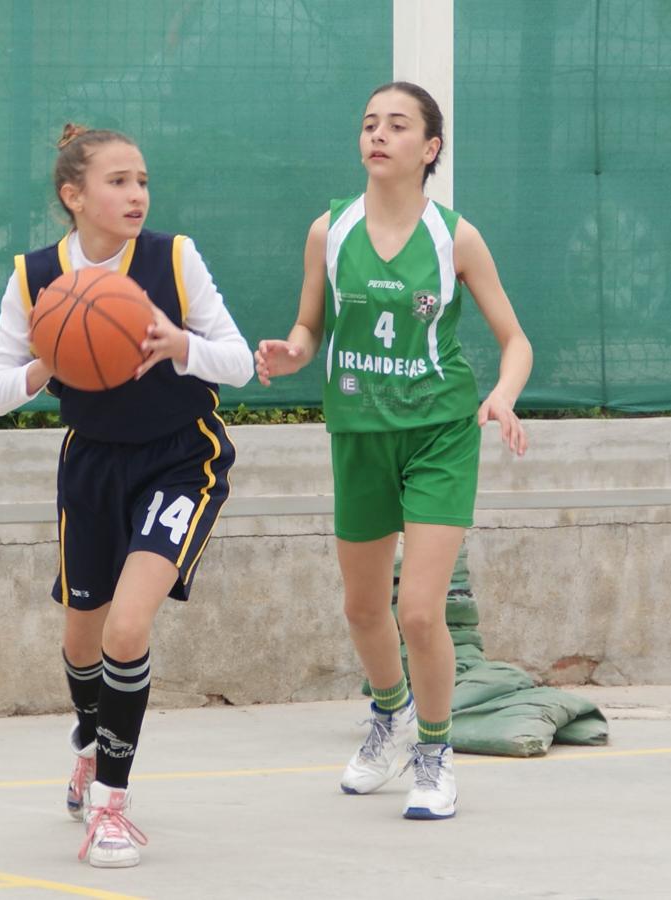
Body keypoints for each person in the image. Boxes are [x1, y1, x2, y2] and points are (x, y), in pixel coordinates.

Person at [255, 82, 532, 820]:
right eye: (369, 123)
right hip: (358, 430)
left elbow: (515, 340)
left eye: (397, 125)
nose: (377, 134)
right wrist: (292, 351)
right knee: (360, 608)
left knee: (418, 612)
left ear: (429, 147)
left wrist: (502, 395)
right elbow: (309, 326)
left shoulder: (455, 238)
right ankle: (392, 714)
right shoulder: (330, 230)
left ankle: (435, 753)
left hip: (439, 431)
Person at [0, 123, 253, 866]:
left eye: (142, 181)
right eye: (118, 181)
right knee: (82, 640)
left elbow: (237, 362)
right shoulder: (36, 276)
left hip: (180, 458)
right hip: (93, 464)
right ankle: (88, 736)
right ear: (73, 196)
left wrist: (180, 345)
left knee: (126, 631)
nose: (137, 195)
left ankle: (111, 804)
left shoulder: (173, 257)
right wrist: (45, 362)